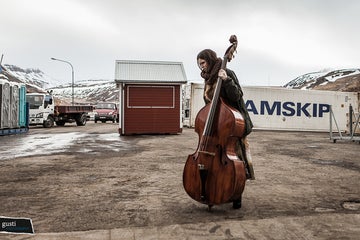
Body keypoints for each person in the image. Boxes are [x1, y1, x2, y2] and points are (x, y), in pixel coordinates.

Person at [197, 49, 255, 209]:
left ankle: (236, 194)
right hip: (217, 124)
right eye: (199, 64)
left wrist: (227, 80)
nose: (201, 66)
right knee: (215, 161)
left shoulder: (226, 72)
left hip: (231, 124)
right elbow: (209, 103)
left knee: (236, 160)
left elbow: (237, 96)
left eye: (203, 62)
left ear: (209, 60)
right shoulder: (207, 79)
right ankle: (212, 190)